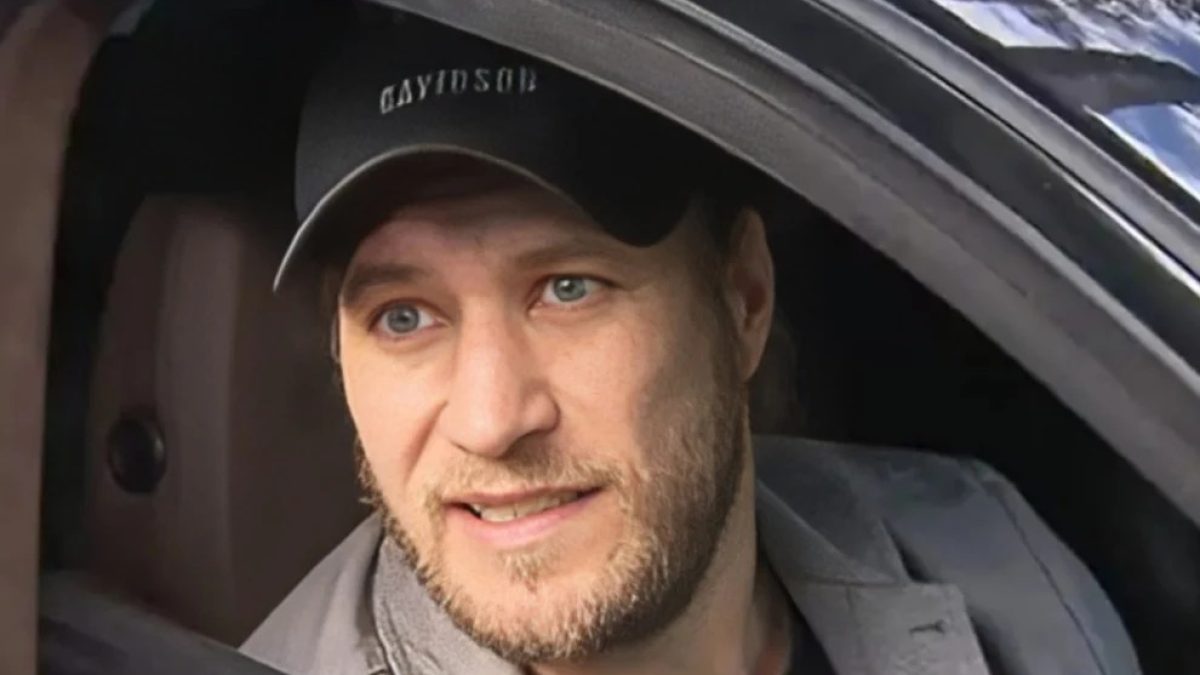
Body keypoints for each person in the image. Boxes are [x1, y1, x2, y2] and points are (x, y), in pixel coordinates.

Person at [242, 11, 1141, 675]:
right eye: (404, 316)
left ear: (743, 299)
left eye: (567, 288)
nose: (490, 418)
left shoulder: (998, 560)